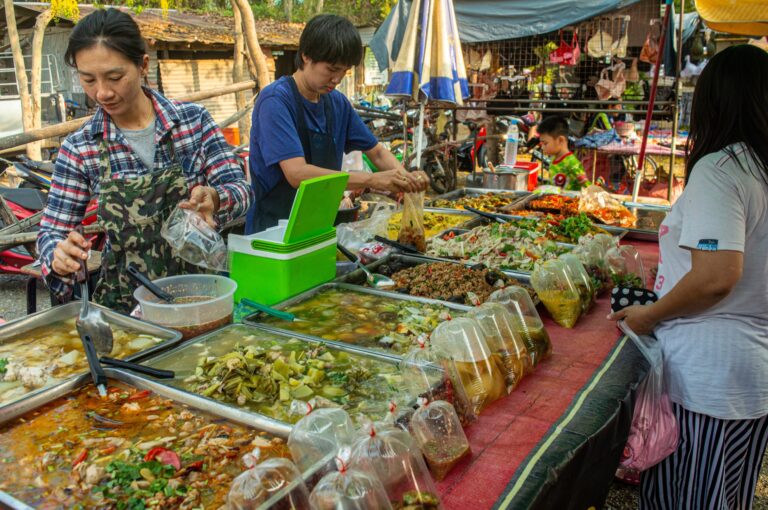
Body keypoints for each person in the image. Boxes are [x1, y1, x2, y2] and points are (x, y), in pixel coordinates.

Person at [609, 44, 768, 510]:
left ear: (714, 100)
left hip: (709, 378)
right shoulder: (758, 168)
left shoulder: (723, 168)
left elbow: (717, 276)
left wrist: (649, 316)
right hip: (746, 371)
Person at [37, 9, 253, 313]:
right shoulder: (81, 147)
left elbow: (242, 190)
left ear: (143, 66)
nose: (102, 92)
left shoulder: (193, 123)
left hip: (203, 295)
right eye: (88, 80)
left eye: (115, 77)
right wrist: (58, 256)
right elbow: (52, 232)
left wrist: (217, 198)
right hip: (128, 309)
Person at [246, 14, 429, 233]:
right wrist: (371, 179)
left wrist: (405, 179)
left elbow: (377, 153)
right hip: (272, 233)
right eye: (332, 69)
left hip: (319, 226)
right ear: (305, 56)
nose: (337, 79)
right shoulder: (276, 101)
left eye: (344, 71)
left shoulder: (337, 103)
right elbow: (297, 174)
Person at [537, 116, 589, 191]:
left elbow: (587, 186)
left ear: (560, 140)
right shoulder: (554, 159)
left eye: (545, 143)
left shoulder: (572, 163)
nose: (542, 148)